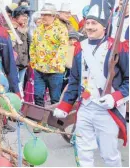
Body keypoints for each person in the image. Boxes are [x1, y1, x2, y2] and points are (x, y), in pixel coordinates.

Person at [53, 1, 129, 166]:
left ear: (104, 26)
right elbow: (74, 81)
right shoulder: (80, 48)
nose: (89, 26)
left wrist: (114, 98)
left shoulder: (118, 47)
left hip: (107, 110)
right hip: (85, 108)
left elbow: (128, 80)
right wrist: (65, 106)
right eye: (87, 22)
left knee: (110, 155)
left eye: (94, 23)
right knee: (83, 151)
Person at [30, 3, 68, 133]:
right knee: (38, 95)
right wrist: (33, 61)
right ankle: (40, 122)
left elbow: (63, 49)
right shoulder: (38, 28)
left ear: (53, 16)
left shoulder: (61, 29)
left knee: (55, 98)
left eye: (46, 14)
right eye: (42, 14)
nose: (43, 17)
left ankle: (53, 122)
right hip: (39, 70)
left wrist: (52, 63)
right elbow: (33, 45)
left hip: (55, 71)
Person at [11, 6, 30, 99]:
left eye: (26, 16)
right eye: (23, 15)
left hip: (24, 64)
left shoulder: (26, 30)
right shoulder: (10, 29)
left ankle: (19, 106)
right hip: (14, 64)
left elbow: (30, 45)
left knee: (20, 86)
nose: (25, 17)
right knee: (14, 87)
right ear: (16, 17)